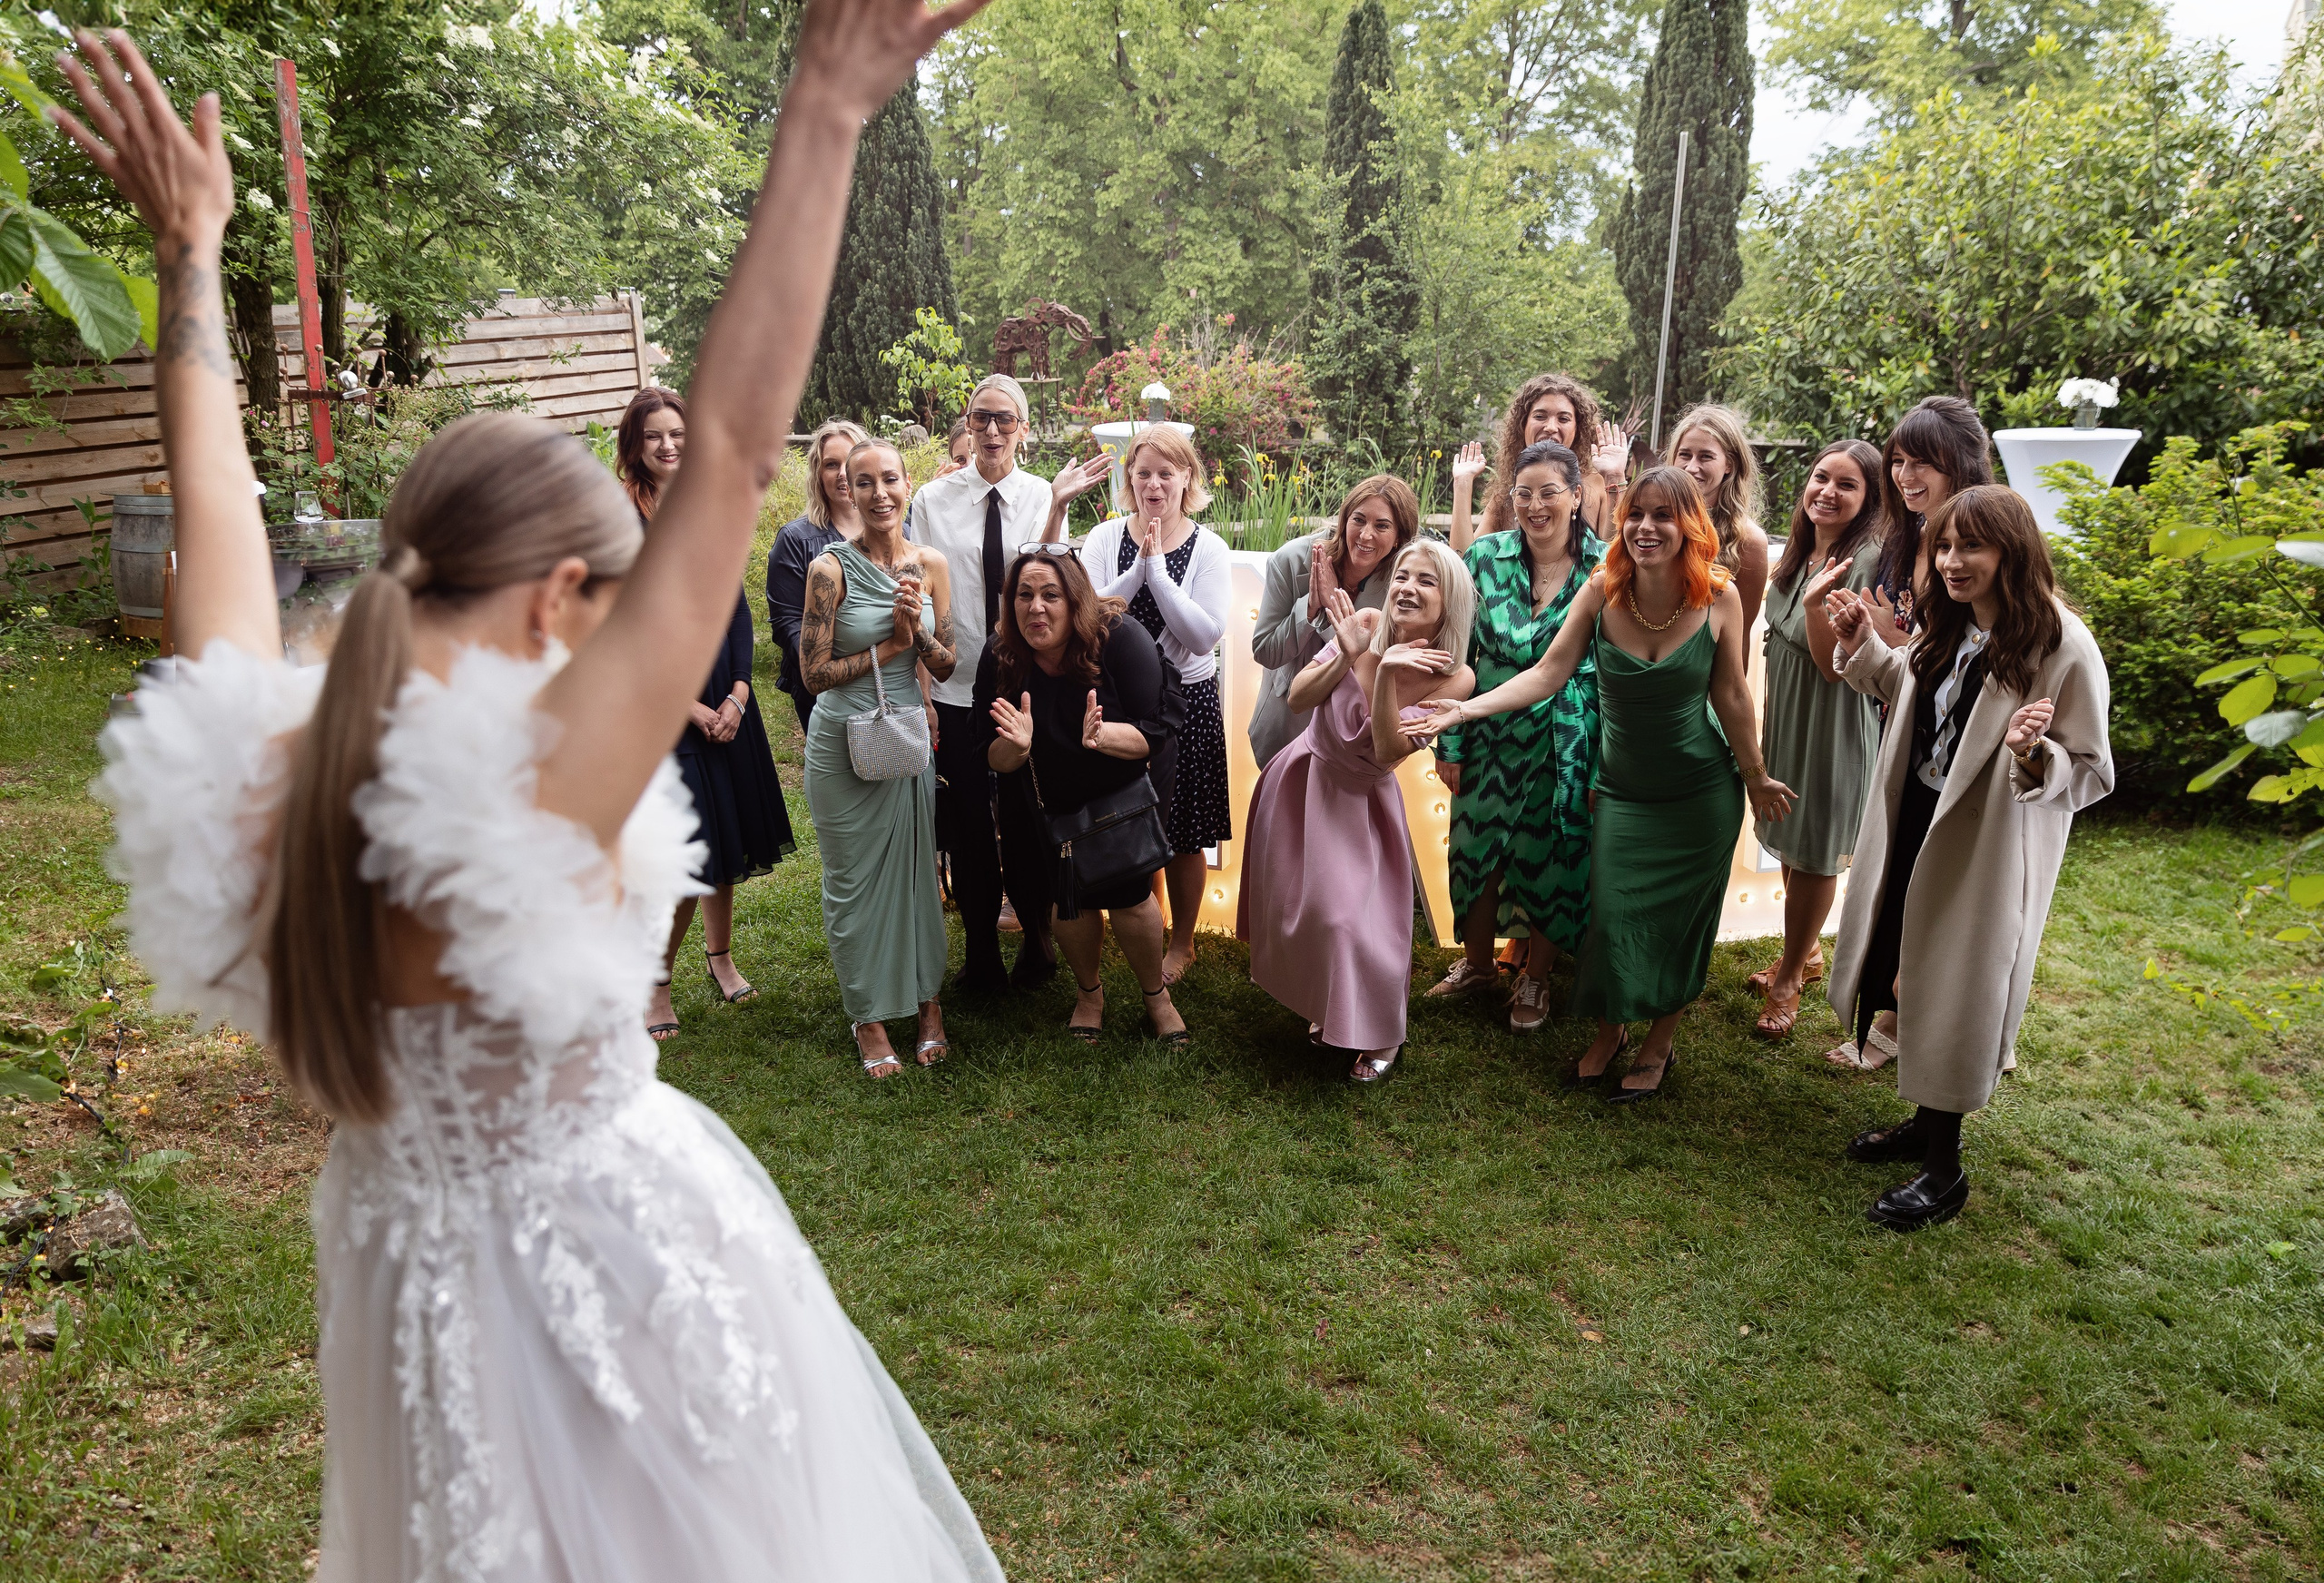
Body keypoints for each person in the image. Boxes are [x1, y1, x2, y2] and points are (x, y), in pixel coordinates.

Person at [71, 7, 1005, 1579]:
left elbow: (213, 512)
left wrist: (191, 250)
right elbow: (729, 449)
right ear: (562, 597)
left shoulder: (262, 768)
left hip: (404, 1287)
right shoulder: (529, 788)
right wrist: (828, 105)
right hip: (610, 1286)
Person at [1415, 468, 1796, 1101]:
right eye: (1637, 515)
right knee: (1612, 918)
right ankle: (1610, 1031)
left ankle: (1658, 1043)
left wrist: (1754, 779)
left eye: (1663, 516)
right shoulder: (1601, 590)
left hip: (1702, 792)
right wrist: (1465, 710)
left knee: (1681, 924)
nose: (1647, 527)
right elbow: (1546, 674)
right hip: (1623, 790)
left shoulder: (1718, 597)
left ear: (1688, 526)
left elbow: (1732, 695)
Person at [1823, 486, 2112, 1230]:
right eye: (1944, 546)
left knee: (1957, 984)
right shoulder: (1952, 625)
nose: (1952, 561)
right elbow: (1912, 696)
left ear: (2011, 554)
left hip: (1989, 840)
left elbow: (2090, 770)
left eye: (1970, 548)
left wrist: (2033, 752)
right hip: (1915, 816)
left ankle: (1943, 1172)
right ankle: (1923, 1125)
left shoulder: (2062, 645)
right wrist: (1865, 645)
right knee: (1910, 968)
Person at [1241, 539, 1477, 1083]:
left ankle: (1385, 1035)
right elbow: (1299, 697)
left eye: (1426, 582)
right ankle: (1329, 1007)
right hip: (1303, 780)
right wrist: (1349, 653)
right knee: (1302, 910)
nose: (1407, 589)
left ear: (1451, 603)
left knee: (1354, 920)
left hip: (1364, 800)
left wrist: (1388, 674)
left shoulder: (1455, 678)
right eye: (1403, 577)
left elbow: (1391, 751)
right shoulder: (1365, 621)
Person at [615, 387, 797, 1040]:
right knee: (683, 855)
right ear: (634, 445)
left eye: (679, 435)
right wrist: (690, 707)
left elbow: (738, 612)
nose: (669, 446)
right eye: (656, 436)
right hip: (665, 709)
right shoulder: (620, 523)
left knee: (728, 837)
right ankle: (655, 982)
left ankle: (720, 958)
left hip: (726, 696)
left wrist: (739, 695)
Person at [1042, 426, 1231, 984]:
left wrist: (1160, 577)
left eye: (1165, 473)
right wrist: (1138, 568)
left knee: (1184, 832)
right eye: (1143, 472)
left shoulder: (1208, 547)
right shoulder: (1103, 539)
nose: (1153, 484)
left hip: (1188, 703)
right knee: (1124, 816)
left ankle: (1184, 941)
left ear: (1187, 480)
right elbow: (1091, 616)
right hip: (1118, 702)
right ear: (1130, 480)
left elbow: (1202, 636)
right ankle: (1141, 924)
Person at [977, 551, 1187, 1045]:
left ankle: (1156, 995)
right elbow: (986, 753)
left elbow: (1155, 732)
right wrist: (1015, 746)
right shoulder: (1000, 654)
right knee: (1068, 898)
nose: (1036, 609)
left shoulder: (1119, 640)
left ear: (1076, 603)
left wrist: (1104, 738)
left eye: (1051, 596)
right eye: (1024, 596)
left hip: (1127, 778)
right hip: (1045, 791)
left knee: (1131, 894)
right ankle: (1088, 994)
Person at [1428, 441, 1601, 1034]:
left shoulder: (1605, 567)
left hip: (1566, 739)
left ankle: (1536, 978)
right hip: (1483, 728)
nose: (1534, 505)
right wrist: (1448, 740)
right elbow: (1456, 652)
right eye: (1523, 493)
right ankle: (1478, 966)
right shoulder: (1484, 556)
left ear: (1577, 496)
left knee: (1553, 858)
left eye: (1549, 492)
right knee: (1475, 852)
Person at [800, 439, 958, 1078]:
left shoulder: (931, 564)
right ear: (848, 491)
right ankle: (866, 1015)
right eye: (863, 483)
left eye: (888, 479)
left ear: (906, 483)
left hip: (904, 741)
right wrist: (893, 648)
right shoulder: (829, 571)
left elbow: (947, 663)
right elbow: (813, 675)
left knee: (919, 877)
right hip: (843, 740)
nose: (878, 494)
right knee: (851, 883)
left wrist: (917, 632)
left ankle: (926, 1007)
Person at [907, 372, 1057, 990]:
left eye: (1004, 419)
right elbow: (915, 606)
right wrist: (923, 688)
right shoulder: (931, 502)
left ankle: (1040, 944)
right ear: (967, 426)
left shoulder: (1047, 497)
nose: (991, 430)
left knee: (1030, 821)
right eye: (980, 418)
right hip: (955, 688)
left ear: (1024, 429)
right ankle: (980, 954)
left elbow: (1058, 591)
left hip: (1026, 688)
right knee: (968, 826)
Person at [1746, 439, 1886, 1040]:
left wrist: (1809, 606)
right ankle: (1802, 956)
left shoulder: (1868, 561)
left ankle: (1788, 984)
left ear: (1869, 499)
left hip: (1833, 723)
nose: (1827, 491)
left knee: (1816, 849)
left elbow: (1837, 666)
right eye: (1820, 478)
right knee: (1789, 836)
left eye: (1846, 484)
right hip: (1789, 716)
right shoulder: (1796, 554)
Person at [1247, 475, 1419, 769]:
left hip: (1352, 740)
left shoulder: (1401, 583)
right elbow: (1265, 652)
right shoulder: (1291, 561)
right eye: (1358, 520)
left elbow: (1372, 665)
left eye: (1381, 526)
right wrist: (1312, 606)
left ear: (1399, 538)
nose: (1365, 535)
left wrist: (1334, 613)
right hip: (1286, 730)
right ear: (1343, 520)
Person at [1447, 372, 1630, 553]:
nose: (1551, 427)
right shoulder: (1506, 492)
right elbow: (1464, 563)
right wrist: (1462, 484)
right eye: (1540, 416)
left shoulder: (1598, 484)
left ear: (1578, 428)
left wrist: (1615, 477)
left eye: (1563, 419)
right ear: (1523, 424)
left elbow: (1613, 560)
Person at [1867, 395, 1994, 648]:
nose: (1904, 476)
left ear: (1962, 464)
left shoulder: (1990, 546)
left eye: (1922, 462)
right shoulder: (1901, 537)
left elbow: (1985, 655)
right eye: (1897, 461)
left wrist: (1894, 639)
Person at [768, 418, 870, 732]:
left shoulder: (900, 533)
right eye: (831, 464)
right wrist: (830, 667)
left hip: (888, 683)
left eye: (850, 461)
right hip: (824, 692)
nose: (842, 473)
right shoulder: (796, 540)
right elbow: (787, 622)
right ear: (818, 474)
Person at [1667, 403, 1771, 630]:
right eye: (1685, 455)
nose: (1691, 467)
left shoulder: (1748, 540)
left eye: (1706, 457)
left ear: (1729, 465)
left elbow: (1740, 636)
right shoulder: (1651, 523)